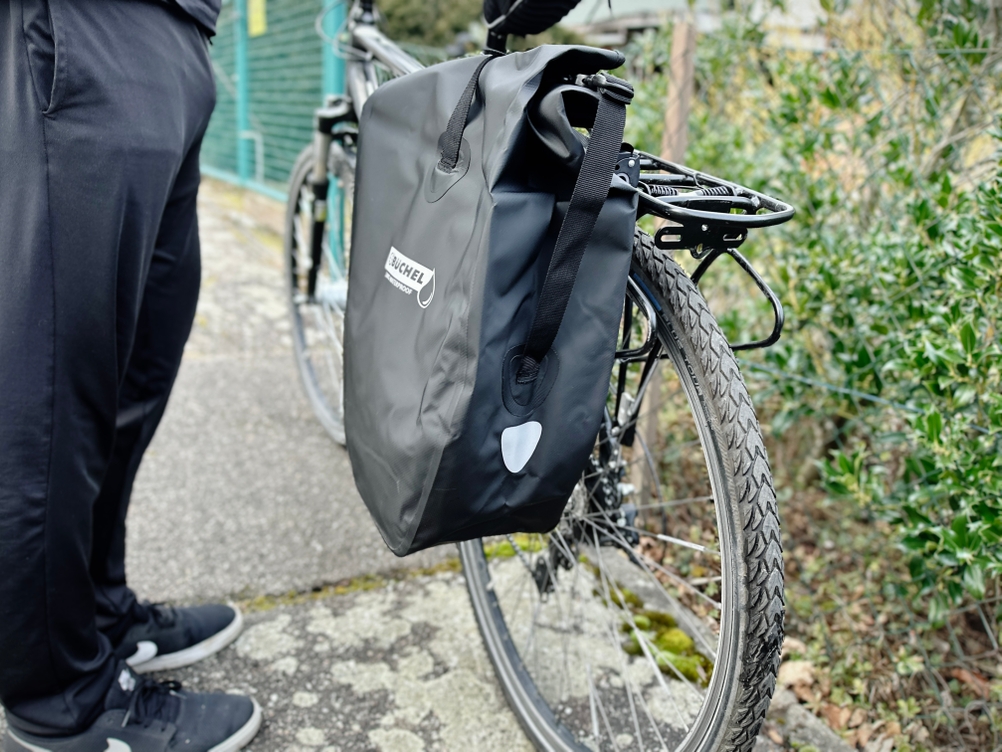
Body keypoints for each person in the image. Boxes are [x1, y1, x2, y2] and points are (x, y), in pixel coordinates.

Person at [0, 1, 262, 750]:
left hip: (180, 38)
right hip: (83, 24)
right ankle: (63, 700)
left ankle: (97, 612)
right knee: (54, 388)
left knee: (136, 372)